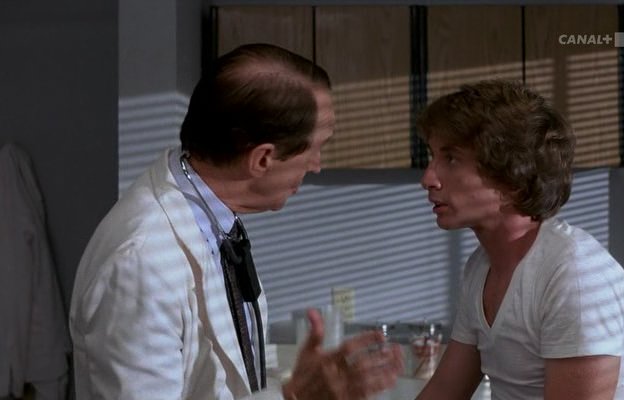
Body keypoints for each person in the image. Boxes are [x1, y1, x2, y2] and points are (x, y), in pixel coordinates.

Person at [69, 43, 403, 400]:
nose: (317, 165)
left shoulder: (213, 220)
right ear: (262, 159)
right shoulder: (143, 263)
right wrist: (296, 396)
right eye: (315, 148)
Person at [415, 80, 624, 400]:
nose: (428, 178)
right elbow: (444, 391)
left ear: (512, 177)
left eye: (451, 159)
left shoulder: (574, 273)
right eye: (433, 157)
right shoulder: (481, 268)